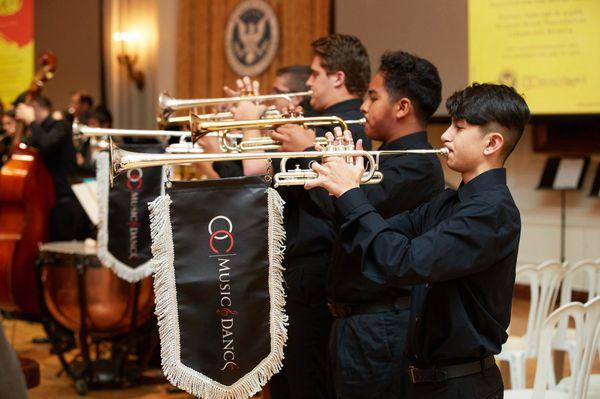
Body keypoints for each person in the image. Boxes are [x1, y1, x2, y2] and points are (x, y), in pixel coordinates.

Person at [305, 83, 530, 399]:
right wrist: (343, 186)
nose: (445, 136)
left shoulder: (490, 212)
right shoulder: (450, 203)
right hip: (428, 380)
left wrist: (351, 193)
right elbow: (380, 238)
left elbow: (402, 262)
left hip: (460, 387)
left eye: (459, 128)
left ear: (491, 143)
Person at [300, 51, 445, 398]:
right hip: (355, 321)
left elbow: (343, 212)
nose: (362, 106)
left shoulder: (416, 166)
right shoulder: (384, 158)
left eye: (373, 96)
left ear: (402, 107)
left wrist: (309, 151)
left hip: (378, 322)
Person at [15, 96, 91, 241]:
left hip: (63, 201)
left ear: (34, 107)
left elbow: (47, 144)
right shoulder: (38, 132)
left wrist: (31, 121)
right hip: (47, 201)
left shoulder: (60, 126)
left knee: (62, 250)